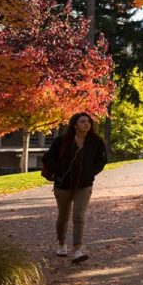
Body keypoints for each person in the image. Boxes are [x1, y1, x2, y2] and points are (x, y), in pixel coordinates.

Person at [42, 112, 107, 263]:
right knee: (63, 215)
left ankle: (78, 249)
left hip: (84, 185)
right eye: (83, 121)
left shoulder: (96, 141)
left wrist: (90, 173)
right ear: (75, 124)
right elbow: (47, 157)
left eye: (88, 122)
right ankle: (61, 244)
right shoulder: (62, 140)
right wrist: (58, 170)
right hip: (63, 184)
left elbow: (102, 160)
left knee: (79, 216)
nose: (86, 124)